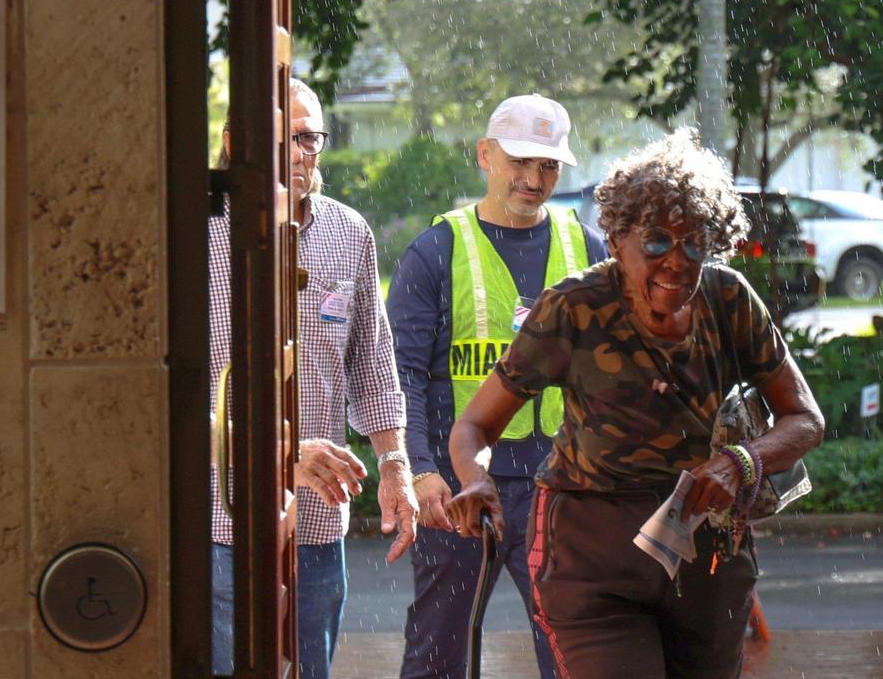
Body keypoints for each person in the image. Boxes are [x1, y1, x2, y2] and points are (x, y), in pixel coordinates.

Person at [447, 131, 825, 679]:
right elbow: (475, 426)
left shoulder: (728, 298)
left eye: (695, 244)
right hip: (591, 551)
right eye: (656, 242)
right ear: (618, 236)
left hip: (706, 550)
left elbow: (804, 419)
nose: (677, 263)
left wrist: (741, 462)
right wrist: (474, 479)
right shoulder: (573, 309)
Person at [390, 93, 607, 679]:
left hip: (561, 491)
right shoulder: (436, 252)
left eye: (548, 166)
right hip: (460, 490)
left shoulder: (586, 249)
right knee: (440, 651)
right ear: (485, 155)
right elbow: (400, 375)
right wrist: (421, 469)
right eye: (519, 161)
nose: (533, 179)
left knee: (574, 650)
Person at [210, 77, 419, 679]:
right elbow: (168, 394)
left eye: (310, 138)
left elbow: (373, 364)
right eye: (283, 139)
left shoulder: (347, 232)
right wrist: (277, 455)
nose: (300, 153)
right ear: (234, 144)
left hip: (317, 526)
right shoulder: (191, 233)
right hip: (220, 526)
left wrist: (395, 467)